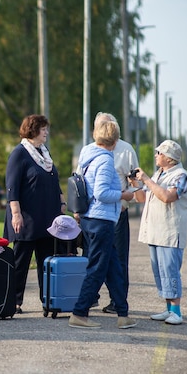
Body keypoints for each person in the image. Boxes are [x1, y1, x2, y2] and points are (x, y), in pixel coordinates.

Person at [68, 119, 136, 329]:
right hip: (102, 219)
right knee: (97, 268)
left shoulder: (89, 156)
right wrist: (125, 194)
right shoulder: (106, 161)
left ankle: (122, 313)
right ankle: (79, 313)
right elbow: (102, 193)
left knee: (113, 267)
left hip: (91, 218)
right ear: (115, 141)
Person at [4, 114, 66, 314]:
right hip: (26, 218)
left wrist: (62, 199)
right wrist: (16, 213)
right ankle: (14, 301)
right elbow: (12, 186)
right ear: (33, 129)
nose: (47, 131)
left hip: (47, 216)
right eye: (43, 128)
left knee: (46, 261)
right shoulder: (19, 153)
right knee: (20, 261)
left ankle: (47, 299)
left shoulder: (44, 153)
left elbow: (53, 179)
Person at [132, 140, 187, 325]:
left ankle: (177, 311)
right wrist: (135, 182)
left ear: (169, 158)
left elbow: (167, 197)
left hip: (170, 232)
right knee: (160, 271)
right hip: (155, 232)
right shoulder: (159, 174)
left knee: (170, 271)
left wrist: (147, 180)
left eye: (159, 153)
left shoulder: (180, 175)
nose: (156, 155)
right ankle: (168, 309)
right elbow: (141, 198)